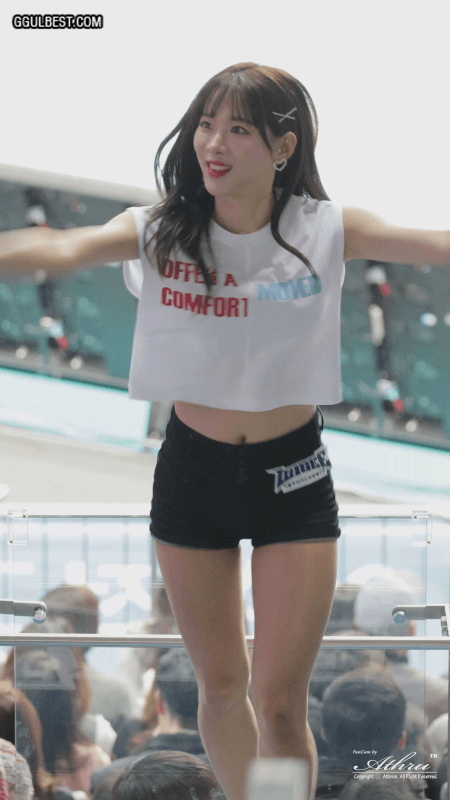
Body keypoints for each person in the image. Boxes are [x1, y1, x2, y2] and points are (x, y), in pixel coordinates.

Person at [1, 62, 449, 800]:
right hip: (193, 471)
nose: (213, 143)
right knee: (219, 685)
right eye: (206, 125)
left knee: (280, 701)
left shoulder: (325, 230)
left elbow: (436, 242)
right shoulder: (160, 229)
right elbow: (59, 248)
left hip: (293, 474)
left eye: (238, 129)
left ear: (283, 146)